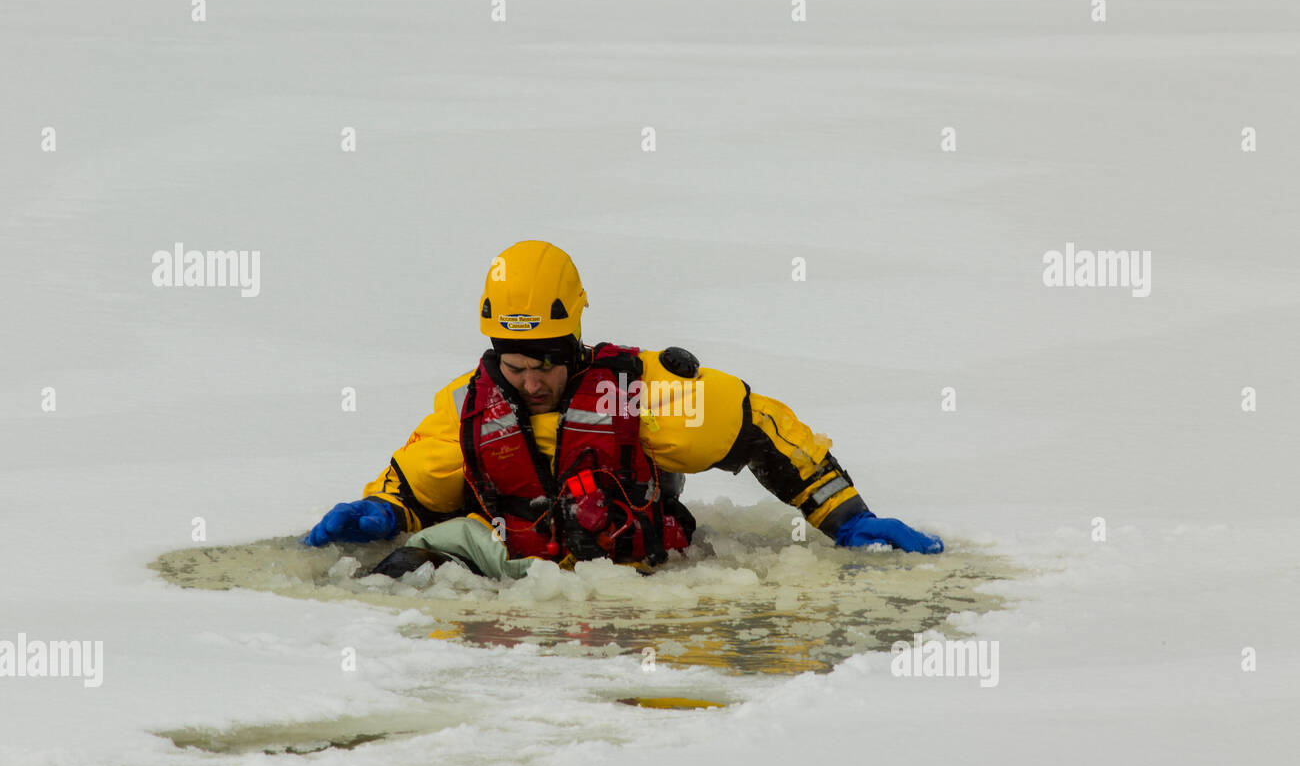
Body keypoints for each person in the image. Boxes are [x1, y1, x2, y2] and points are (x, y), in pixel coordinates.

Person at [304, 241, 942, 577]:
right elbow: (418, 481)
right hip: (506, 583)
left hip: (631, 588)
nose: (529, 382)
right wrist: (379, 510)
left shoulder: (641, 391)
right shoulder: (470, 405)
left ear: (572, 343)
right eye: (514, 366)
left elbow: (763, 431)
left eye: (544, 365)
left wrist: (850, 519)